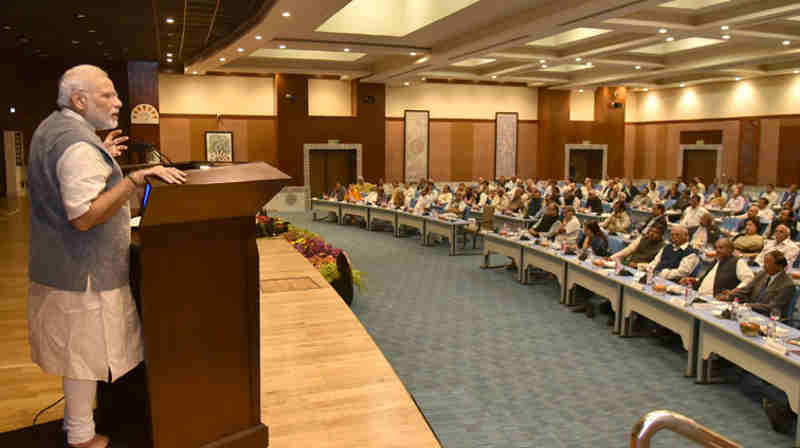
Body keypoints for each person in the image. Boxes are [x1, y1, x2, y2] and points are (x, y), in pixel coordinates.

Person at [27, 65, 186, 448]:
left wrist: (105, 157)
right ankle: (81, 437)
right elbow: (84, 217)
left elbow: (78, 177)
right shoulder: (78, 145)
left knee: (78, 358)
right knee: (84, 358)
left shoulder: (59, 131)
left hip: (63, 269)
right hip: (84, 275)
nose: (118, 103)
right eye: (107, 95)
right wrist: (134, 178)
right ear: (79, 100)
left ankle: (77, 425)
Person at [680, 238, 753, 298]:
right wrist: (694, 280)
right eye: (716, 248)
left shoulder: (738, 262)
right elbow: (709, 280)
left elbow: (749, 279)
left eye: (721, 248)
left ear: (730, 250)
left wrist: (734, 291)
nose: (717, 250)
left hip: (715, 300)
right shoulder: (716, 261)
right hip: (699, 295)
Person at [731, 251, 795, 316]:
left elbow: (772, 307)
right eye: (764, 262)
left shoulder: (787, 285)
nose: (764, 266)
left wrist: (748, 305)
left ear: (779, 266)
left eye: (768, 263)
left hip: (768, 317)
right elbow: (746, 290)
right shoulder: (762, 274)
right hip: (750, 312)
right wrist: (729, 294)